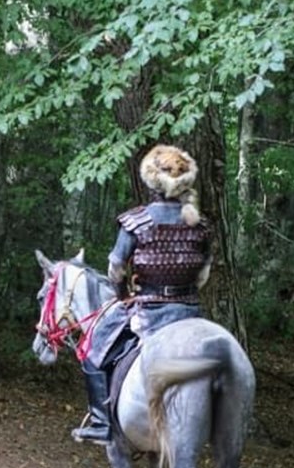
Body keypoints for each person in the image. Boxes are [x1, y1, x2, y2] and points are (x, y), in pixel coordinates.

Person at [72, 144, 213, 444]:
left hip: (148, 311)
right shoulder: (200, 225)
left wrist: (122, 293)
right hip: (190, 312)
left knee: (93, 351)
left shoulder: (136, 220)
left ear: (152, 180)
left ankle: (100, 422)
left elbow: (115, 267)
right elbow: (203, 274)